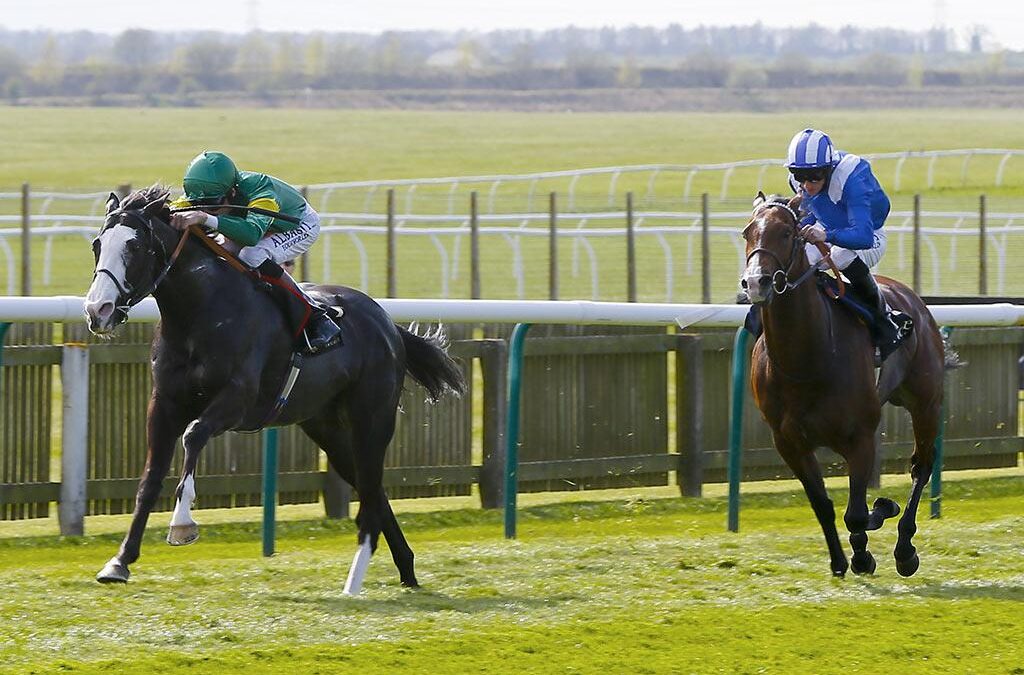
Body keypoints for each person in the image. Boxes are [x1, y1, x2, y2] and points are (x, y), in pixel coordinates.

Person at [170, 151, 341, 354]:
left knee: (252, 255)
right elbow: (172, 209)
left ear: (232, 192)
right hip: (258, 224)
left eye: (213, 205)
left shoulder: (261, 190)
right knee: (223, 252)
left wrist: (204, 218)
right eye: (200, 204)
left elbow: (251, 235)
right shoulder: (207, 192)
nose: (207, 209)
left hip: (298, 225)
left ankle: (315, 315)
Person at [785, 128, 912, 361]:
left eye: (815, 176)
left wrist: (825, 236)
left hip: (869, 238)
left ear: (829, 168)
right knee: (800, 257)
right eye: (800, 175)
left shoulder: (852, 178)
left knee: (840, 256)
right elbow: (816, 211)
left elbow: (862, 236)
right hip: (831, 232)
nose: (807, 184)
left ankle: (884, 322)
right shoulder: (799, 182)